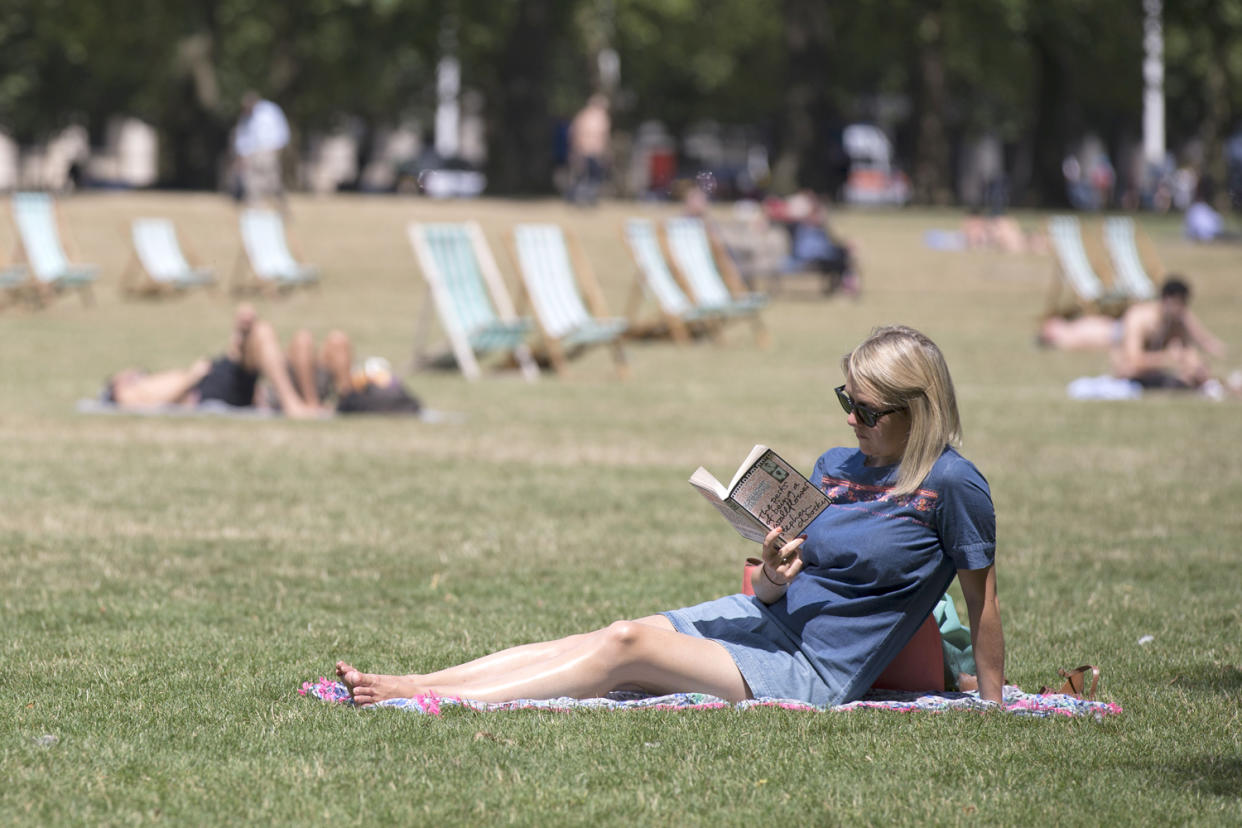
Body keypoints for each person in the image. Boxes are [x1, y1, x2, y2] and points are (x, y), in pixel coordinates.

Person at [336, 325, 1005, 707]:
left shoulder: (950, 486)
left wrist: (995, 705)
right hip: (764, 618)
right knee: (598, 638)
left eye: (866, 410)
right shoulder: (836, 463)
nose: (849, 420)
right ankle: (418, 682)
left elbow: (983, 606)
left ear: (917, 410)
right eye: (846, 400)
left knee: (627, 642)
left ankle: (433, 704)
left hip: (813, 669)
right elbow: (781, 582)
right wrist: (772, 566)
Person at [102, 304, 351, 419]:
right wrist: (191, 377)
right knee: (262, 332)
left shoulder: (143, 380)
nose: (133, 372)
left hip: (227, 371)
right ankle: (293, 405)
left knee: (310, 340)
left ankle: (324, 402)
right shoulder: (124, 392)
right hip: (218, 386)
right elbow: (149, 405)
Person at [1039, 277, 1227, 390]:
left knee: (1072, 335)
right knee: (1068, 338)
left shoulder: (1180, 317)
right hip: (1115, 332)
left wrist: (1198, 363)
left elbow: (1198, 339)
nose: (1181, 310)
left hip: (1122, 336)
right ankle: (1054, 327)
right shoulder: (1140, 317)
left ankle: (1057, 328)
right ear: (1166, 300)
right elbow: (1132, 361)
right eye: (1178, 304)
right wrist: (1168, 358)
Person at [232, 91, 290, 207]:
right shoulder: (246, 116)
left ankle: (280, 205)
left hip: (269, 151)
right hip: (252, 153)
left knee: (273, 180)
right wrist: (242, 155)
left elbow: (282, 129)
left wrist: (278, 148)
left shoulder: (270, 111)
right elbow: (243, 138)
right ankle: (255, 206)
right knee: (252, 182)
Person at [566, 94, 611, 205]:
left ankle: (588, 197)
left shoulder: (600, 118)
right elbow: (574, 133)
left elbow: (604, 137)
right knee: (583, 176)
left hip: (594, 152)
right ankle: (579, 198)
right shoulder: (586, 116)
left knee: (594, 177)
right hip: (585, 151)